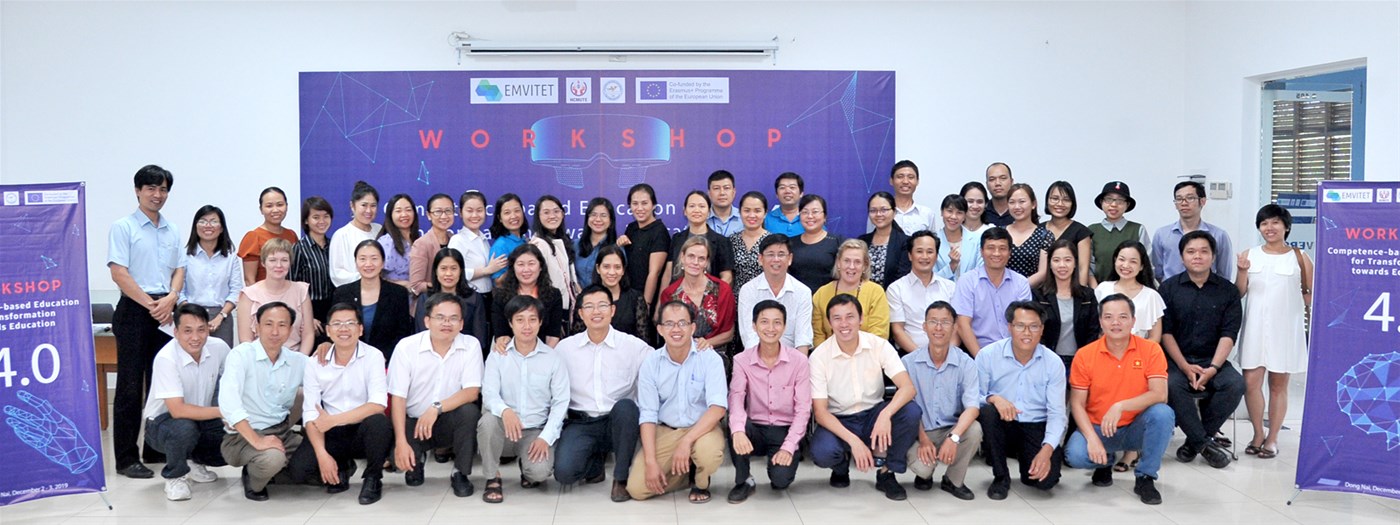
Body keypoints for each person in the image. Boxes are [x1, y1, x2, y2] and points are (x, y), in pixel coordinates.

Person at [108, 164, 185, 479]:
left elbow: (179, 269)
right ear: (138, 191)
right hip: (135, 310)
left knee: (161, 384)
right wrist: (151, 304)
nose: (157, 194)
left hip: (165, 311)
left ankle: (156, 449)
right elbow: (119, 273)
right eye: (151, 188)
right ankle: (126, 458)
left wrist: (171, 297)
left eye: (163, 189)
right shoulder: (123, 227)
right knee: (130, 387)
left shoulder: (172, 229)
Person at [1064, 294, 1174, 506]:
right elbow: (1077, 403)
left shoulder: (1151, 349)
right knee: (1075, 455)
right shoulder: (1085, 355)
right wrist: (1092, 439)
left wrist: (1121, 406)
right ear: (1100, 321)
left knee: (1163, 413)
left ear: (1133, 321)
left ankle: (1145, 476)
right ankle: (1104, 462)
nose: (1116, 323)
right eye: (1109, 317)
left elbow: (1160, 394)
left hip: (1136, 427)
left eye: (1123, 317)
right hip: (1099, 427)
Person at [809, 294, 922, 501]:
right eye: (837, 318)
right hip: (839, 418)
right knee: (822, 451)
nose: (844, 324)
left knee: (911, 411)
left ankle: (888, 472)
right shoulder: (819, 356)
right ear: (829, 323)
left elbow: (907, 388)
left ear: (861, 319)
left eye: (850, 317)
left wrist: (885, 415)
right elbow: (821, 413)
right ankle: (841, 467)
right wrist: (855, 442)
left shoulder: (879, 345)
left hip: (873, 414)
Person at [553, 285, 654, 502]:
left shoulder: (633, 346)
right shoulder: (565, 349)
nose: (596, 312)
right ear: (581, 313)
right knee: (564, 473)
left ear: (612, 310)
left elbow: (661, 364)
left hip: (618, 422)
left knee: (626, 407)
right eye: (589, 307)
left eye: (602, 306)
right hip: (581, 422)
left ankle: (621, 478)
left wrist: (698, 346)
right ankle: (595, 465)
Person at [286, 303, 392, 505]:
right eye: (337, 324)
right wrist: (322, 455)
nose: (344, 329)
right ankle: (342, 466)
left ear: (360, 329)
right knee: (299, 471)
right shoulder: (314, 363)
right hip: (330, 432)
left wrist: (334, 420)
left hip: (362, 428)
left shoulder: (373, 356)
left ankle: (373, 478)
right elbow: (310, 412)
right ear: (328, 330)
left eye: (350, 323)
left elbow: (378, 404)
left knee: (379, 423)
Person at [627, 301, 728, 503]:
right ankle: (686, 472)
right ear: (660, 329)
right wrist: (651, 462)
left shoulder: (709, 358)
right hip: (666, 430)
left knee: (708, 454)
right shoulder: (651, 363)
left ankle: (700, 480)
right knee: (637, 489)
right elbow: (648, 415)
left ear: (693, 328)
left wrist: (687, 441)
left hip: (702, 429)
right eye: (669, 324)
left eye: (682, 323)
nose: (676, 329)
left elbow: (718, 408)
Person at [1160, 231, 1244, 469]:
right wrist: (1185, 367)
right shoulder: (1168, 289)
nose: (1197, 256)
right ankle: (1204, 443)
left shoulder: (1228, 291)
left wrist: (1213, 368)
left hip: (1213, 360)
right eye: (1191, 251)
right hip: (1177, 361)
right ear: (1182, 257)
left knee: (1235, 384)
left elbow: (1229, 334)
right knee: (1170, 384)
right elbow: (1166, 333)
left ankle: (1195, 442)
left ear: (1213, 256)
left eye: (1204, 251)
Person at [388, 294, 485, 497]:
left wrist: (436, 408)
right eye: (440, 317)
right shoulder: (406, 347)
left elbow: (471, 392)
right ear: (427, 321)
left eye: (453, 318)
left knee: (469, 412)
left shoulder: (471, 345)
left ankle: (460, 472)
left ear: (461, 324)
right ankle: (418, 459)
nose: (446, 323)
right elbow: (398, 397)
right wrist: (401, 442)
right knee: (401, 464)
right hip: (414, 422)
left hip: (448, 419)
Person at [1236, 205, 1311, 460]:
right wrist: (1242, 271)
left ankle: (1272, 438)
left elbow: (1312, 292)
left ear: (1286, 226)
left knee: (1278, 386)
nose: (1269, 228)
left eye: (1275, 222)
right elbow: (1239, 292)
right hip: (1255, 328)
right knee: (1251, 383)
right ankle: (1258, 433)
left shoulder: (1299, 257)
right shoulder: (1250, 255)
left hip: (1285, 331)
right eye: (1264, 223)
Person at [478, 295, 570, 503]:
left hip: (534, 430)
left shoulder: (553, 359)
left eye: (532, 319)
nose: (526, 326)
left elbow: (560, 403)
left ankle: (526, 467)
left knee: (539, 473)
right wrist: (505, 411)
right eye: (520, 320)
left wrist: (545, 437)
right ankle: (492, 477)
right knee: (487, 422)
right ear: (510, 323)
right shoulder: (498, 355)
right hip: (503, 428)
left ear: (540, 322)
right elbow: (489, 393)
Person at [218, 302, 310, 501]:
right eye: (268, 324)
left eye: (282, 325)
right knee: (272, 458)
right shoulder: (241, 355)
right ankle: (254, 479)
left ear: (290, 330)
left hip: (282, 433)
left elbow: (327, 377)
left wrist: (328, 349)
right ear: (256, 326)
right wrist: (257, 440)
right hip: (242, 437)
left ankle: (272, 472)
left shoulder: (297, 361)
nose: (275, 331)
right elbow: (228, 403)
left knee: (316, 463)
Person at [976, 301, 1066, 500]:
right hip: (1003, 423)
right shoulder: (988, 355)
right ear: (1009, 327)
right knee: (987, 411)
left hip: (1035, 424)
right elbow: (972, 396)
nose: (1027, 332)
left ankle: (1029, 462)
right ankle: (1001, 477)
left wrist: (1047, 450)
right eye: (1020, 326)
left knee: (1044, 482)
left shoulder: (1053, 363)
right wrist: (993, 398)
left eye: (1033, 326)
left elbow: (1057, 414)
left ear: (1042, 329)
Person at [142, 304, 230, 501]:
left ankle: (194, 461)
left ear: (208, 329)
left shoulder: (219, 348)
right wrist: (224, 411)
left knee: (236, 434)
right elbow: (178, 410)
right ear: (176, 332)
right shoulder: (166, 358)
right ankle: (175, 476)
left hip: (200, 418)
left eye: (201, 330)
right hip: (161, 425)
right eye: (187, 331)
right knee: (183, 428)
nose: (195, 337)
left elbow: (236, 379)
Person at [726, 300, 811, 503]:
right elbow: (736, 399)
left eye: (777, 322)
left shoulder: (799, 361)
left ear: (784, 326)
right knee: (736, 426)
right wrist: (738, 431)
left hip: (784, 429)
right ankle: (744, 480)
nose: (770, 328)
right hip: (755, 428)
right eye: (764, 322)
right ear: (754, 326)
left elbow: (803, 409)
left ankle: (781, 462)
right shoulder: (741, 360)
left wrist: (789, 446)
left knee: (780, 481)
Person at [1092, 240, 1163, 473]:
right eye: (1121, 259)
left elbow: (1155, 335)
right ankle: (1107, 444)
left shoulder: (1151, 295)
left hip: (1139, 358)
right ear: (1115, 261)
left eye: (1133, 261)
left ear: (1142, 266)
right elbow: (1096, 328)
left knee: (1139, 396)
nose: (1126, 265)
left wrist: (1137, 356)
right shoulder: (1103, 289)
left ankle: (1132, 450)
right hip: (1106, 355)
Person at [901, 301, 981, 500]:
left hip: (950, 429)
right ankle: (926, 474)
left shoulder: (966, 363)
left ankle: (953, 480)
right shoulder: (908, 363)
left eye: (945, 322)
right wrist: (923, 440)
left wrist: (953, 438)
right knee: (923, 469)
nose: (938, 328)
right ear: (924, 326)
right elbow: (906, 408)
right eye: (933, 322)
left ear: (955, 327)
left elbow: (972, 407)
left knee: (975, 430)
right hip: (919, 432)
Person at [953, 227, 1032, 355]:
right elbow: (963, 325)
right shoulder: (967, 281)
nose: (996, 253)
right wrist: (981, 359)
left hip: (1014, 352)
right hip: (977, 352)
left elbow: (1024, 323)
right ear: (981, 252)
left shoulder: (1021, 283)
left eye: (1002, 248)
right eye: (991, 248)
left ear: (1010, 253)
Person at [332, 240, 414, 361]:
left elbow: (403, 334)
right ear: (356, 263)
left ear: (383, 263)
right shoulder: (342, 293)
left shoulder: (398, 293)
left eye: (374, 258)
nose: (368, 264)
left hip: (387, 361)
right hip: (350, 360)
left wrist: (381, 358)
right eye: (362, 259)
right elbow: (335, 329)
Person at [736, 234, 814, 353]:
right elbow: (749, 337)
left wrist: (799, 363)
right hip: (757, 357)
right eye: (770, 254)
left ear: (790, 259)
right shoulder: (748, 290)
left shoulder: (803, 292)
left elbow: (802, 338)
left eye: (781, 254)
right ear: (760, 259)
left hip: (791, 358)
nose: (776, 259)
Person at [658, 236, 737, 350]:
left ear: (706, 262)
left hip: (714, 352)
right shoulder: (669, 294)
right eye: (691, 256)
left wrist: (706, 343)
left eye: (701, 258)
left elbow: (729, 334)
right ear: (682, 257)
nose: (695, 262)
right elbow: (666, 331)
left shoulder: (723, 290)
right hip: (680, 352)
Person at [238, 238, 315, 353]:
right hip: (258, 357)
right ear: (263, 263)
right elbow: (245, 339)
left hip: (294, 356)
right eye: (272, 260)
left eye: (284, 260)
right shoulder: (249, 294)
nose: (279, 265)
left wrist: (301, 359)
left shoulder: (301, 291)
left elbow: (308, 334)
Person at [180, 205, 242, 347]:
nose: (208, 226)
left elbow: (236, 290)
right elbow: (178, 291)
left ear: (221, 228)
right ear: (195, 226)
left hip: (222, 317)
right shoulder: (184, 256)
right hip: (190, 314)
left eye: (213, 221)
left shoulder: (231, 257)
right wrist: (191, 315)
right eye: (202, 221)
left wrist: (221, 316)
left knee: (222, 358)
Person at [1035, 239, 1101, 370]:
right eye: (1056, 260)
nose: (1062, 265)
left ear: (1075, 263)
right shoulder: (1039, 296)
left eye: (1067, 260)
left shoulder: (1087, 296)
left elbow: (1093, 331)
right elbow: (1036, 330)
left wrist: (1085, 358)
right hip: (1047, 361)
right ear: (1049, 264)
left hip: (1081, 361)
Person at [888, 231, 959, 354]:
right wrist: (922, 357)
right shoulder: (896, 289)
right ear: (910, 255)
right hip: (909, 356)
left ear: (936, 256)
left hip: (947, 356)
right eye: (919, 251)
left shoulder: (950, 287)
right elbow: (897, 330)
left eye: (930, 252)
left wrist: (947, 355)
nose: (925, 257)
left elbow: (957, 327)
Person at [1152, 181, 1234, 282]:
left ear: (1202, 201)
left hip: (1207, 290)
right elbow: (1157, 272)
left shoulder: (1219, 235)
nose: (1184, 203)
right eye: (1179, 199)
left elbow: (1224, 274)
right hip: (1171, 290)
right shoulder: (1162, 234)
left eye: (1190, 198)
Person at [812, 239, 890, 345]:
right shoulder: (821, 294)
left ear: (864, 266)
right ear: (838, 263)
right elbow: (818, 335)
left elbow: (879, 334)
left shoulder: (876, 292)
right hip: (829, 353)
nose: (851, 266)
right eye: (846, 261)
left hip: (868, 352)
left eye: (857, 262)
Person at [574, 245, 654, 343]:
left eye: (617, 267)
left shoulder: (636, 298)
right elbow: (577, 338)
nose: (612, 272)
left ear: (623, 270)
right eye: (606, 267)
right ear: (598, 268)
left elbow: (644, 340)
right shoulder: (584, 298)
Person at [492, 244, 566, 350]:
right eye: (520, 264)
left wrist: (542, 355)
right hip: (510, 352)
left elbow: (552, 336)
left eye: (531, 264)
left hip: (544, 352)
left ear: (540, 267)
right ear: (513, 268)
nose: (526, 269)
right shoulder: (501, 297)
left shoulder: (553, 295)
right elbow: (501, 335)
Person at [413, 248, 489, 348]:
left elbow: (480, 338)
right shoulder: (425, 299)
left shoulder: (474, 298)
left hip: (465, 351)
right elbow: (421, 333)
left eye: (453, 268)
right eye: (443, 268)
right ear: (436, 271)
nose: (448, 273)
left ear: (461, 271)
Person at [663, 191, 735, 288]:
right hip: (677, 295)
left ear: (709, 212)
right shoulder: (677, 239)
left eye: (701, 206)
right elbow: (668, 273)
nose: (696, 210)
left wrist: (710, 294)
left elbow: (727, 276)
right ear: (685, 211)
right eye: (692, 206)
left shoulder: (721, 241)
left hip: (710, 295)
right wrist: (662, 297)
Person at [617, 183, 670, 308]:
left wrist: (645, 305)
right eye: (635, 203)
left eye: (644, 203)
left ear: (653, 205)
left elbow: (654, 273)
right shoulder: (631, 228)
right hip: (628, 296)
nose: (639, 208)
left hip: (645, 299)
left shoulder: (659, 232)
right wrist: (619, 244)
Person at [1087, 181, 1151, 284]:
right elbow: (1088, 267)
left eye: (1120, 201)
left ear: (1127, 204)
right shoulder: (1092, 230)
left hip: (1132, 289)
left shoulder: (1138, 229)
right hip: (1099, 289)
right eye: (1108, 199)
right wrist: (1096, 290)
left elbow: (1147, 264)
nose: (1113, 205)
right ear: (1101, 202)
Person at [290, 196, 336, 336]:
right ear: (306, 220)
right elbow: (291, 286)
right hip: (310, 310)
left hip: (334, 309)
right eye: (316, 217)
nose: (322, 221)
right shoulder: (298, 249)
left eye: (326, 216)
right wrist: (306, 317)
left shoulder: (334, 245)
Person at [448, 190, 508, 295]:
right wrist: (487, 270)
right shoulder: (458, 240)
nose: (475, 215)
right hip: (469, 297)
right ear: (461, 213)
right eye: (469, 211)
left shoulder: (483, 239)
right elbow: (452, 272)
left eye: (479, 210)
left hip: (488, 296)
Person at [530, 195, 583, 310]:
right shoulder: (538, 245)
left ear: (563, 214)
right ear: (538, 216)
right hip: (549, 307)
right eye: (546, 212)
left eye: (556, 211)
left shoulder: (563, 240)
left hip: (567, 306)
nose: (552, 216)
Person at [238, 187, 298, 284]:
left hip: (289, 291)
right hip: (263, 293)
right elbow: (249, 280)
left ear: (287, 206)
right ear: (261, 209)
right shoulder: (253, 237)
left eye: (280, 205)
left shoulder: (291, 234)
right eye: (269, 206)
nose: (275, 210)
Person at [329, 181, 383, 287]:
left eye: (373, 206)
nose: (369, 210)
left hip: (380, 290)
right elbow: (337, 274)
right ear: (352, 206)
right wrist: (368, 278)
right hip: (353, 292)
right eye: (364, 205)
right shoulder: (341, 235)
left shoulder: (379, 229)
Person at [1042, 181, 1094, 287]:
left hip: (1071, 290)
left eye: (1066, 200)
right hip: (1040, 290)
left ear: (1072, 204)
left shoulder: (1081, 232)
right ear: (1047, 201)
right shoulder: (1037, 229)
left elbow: (1083, 269)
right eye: (1055, 198)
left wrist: (1080, 293)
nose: (1060, 204)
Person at [868, 160, 938, 234]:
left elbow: (932, 240)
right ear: (891, 181)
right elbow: (870, 239)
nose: (905, 181)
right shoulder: (878, 212)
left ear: (917, 181)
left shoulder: (927, 213)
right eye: (900, 177)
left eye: (910, 177)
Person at [408, 193, 457, 297]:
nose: (444, 216)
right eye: (438, 211)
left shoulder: (455, 239)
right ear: (428, 215)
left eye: (448, 211)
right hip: (431, 302)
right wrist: (444, 286)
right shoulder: (421, 244)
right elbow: (416, 285)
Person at [790, 194, 842, 292]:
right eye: (805, 212)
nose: (810, 216)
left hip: (828, 298)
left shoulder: (837, 242)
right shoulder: (790, 243)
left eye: (815, 212)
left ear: (825, 216)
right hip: (797, 298)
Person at [859, 191, 912, 288]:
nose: (878, 214)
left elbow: (903, 276)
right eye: (873, 210)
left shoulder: (905, 242)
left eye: (884, 210)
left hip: (893, 294)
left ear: (894, 212)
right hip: (863, 294)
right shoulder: (862, 241)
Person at [1004, 183, 1051, 285]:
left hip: (1033, 291)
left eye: (1022, 202)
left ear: (1033, 204)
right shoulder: (1000, 233)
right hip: (1001, 289)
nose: (1017, 206)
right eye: (1012, 202)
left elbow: (1043, 273)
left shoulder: (1045, 235)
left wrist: (1020, 288)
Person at [728, 191, 771, 292]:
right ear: (740, 212)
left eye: (757, 211)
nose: (752, 215)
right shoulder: (731, 241)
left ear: (765, 213)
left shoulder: (772, 242)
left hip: (765, 297)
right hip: (737, 297)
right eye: (747, 211)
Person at [376, 193, 419, 290]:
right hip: (393, 294)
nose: (404, 215)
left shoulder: (418, 240)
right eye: (398, 211)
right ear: (390, 215)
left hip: (417, 295)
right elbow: (376, 277)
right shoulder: (386, 242)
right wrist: (404, 284)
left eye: (408, 210)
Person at [935, 194, 984, 280]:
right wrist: (952, 265)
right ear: (942, 212)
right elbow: (930, 278)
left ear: (965, 216)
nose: (953, 217)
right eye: (949, 211)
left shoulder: (977, 240)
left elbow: (980, 272)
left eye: (959, 213)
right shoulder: (932, 241)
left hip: (971, 288)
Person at [574, 197, 617, 289]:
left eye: (603, 215)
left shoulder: (617, 248)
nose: (598, 219)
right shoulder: (575, 245)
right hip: (578, 296)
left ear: (611, 221)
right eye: (593, 215)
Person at [487, 193, 529, 282]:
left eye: (517, 211)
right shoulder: (500, 246)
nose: (513, 216)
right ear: (500, 218)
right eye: (507, 213)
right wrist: (515, 265)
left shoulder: (525, 240)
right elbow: (498, 283)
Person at [763, 172, 805, 237]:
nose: (787, 191)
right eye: (782, 187)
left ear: (801, 193)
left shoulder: (810, 218)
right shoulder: (766, 219)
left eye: (792, 187)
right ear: (777, 194)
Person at [706, 169, 744, 237]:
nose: (722, 193)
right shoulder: (701, 218)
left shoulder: (744, 218)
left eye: (726, 188)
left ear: (734, 192)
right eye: (716, 188)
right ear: (709, 193)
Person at [982, 162, 1015, 227]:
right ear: (987, 185)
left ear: (1011, 182)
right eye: (992, 179)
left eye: (1003, 178)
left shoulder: (1019, 211)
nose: (997, 183)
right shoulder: (981, 212)